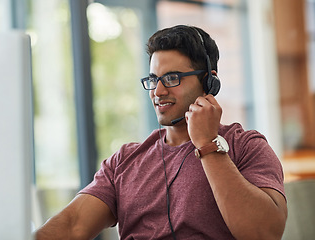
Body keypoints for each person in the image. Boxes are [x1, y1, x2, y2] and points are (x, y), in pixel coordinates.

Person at [35, 25, 287, 240]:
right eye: (154, 79)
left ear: (209, 82)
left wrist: (208, 144)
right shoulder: (125, 161)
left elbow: (264, 232)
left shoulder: (245, 146)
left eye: (173, 78)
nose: (158, 91)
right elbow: (73, 225)